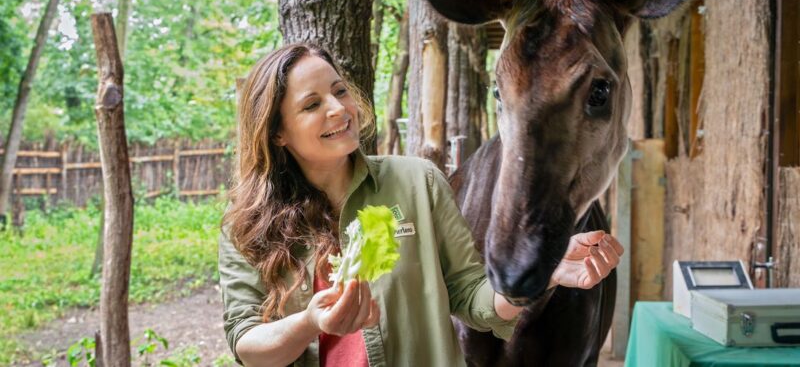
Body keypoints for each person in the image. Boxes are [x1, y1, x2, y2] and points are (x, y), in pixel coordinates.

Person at [219, 43, 624, 367]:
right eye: (312, 105)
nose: (339, 109)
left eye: (339, 91)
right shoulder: (247, 224)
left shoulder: (418, 182)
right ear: (277, 133)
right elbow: (247, 342)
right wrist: (311, 322)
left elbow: (473, 297)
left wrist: (546, 273)